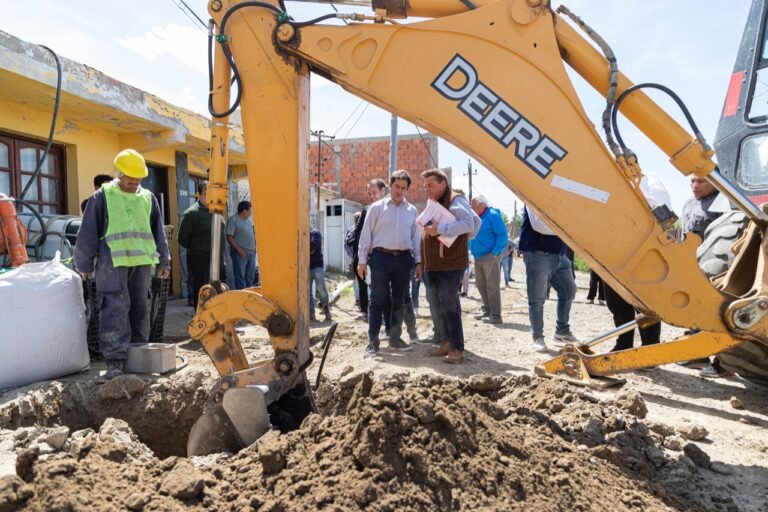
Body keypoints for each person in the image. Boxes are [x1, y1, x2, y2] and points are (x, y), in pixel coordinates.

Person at [74, 149, 171, 379]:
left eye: (138, 178)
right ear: (119, 173)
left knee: (140, 307)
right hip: (112, 261)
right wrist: (84, 264)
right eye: (129, 177)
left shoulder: (147, 198)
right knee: (115, 307)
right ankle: (116, 361)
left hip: (141, 263)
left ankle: (138, 356)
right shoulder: (102, 197)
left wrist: (164, 260)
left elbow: (158, 231)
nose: (134, 181)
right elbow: (87, 232)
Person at [357, 170, 421, 356]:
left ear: (407, 189)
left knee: (399, 301)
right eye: (396, 186)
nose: (399, 190)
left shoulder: (412, 211)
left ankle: (395, 338)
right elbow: (365, 235)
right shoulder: (376, 208)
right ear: (390, 186)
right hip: (380, 258)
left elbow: (416, 239)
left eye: (403, 187)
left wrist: (418, 262)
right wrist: (362, 261)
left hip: (403, 260)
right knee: (377, 300)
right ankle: (373, 342)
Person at [421, 169, 481, 364]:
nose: (426, 189)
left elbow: (470, 223)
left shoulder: (456, 200)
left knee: (449, 304)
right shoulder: (437, 202)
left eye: (430, 185)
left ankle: (457, 348)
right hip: (437, 264)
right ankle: (446, 342)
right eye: (425, 186)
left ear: (443, 184)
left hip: (450, 263)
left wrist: (441, 230)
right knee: (439, 303)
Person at [681, 175, 729, 378]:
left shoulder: (724, 204)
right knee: (693, 308)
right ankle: (697, 355)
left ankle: (722, 363)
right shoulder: (689, 204)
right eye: (692, 181)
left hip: (713, 268)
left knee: (716, 311)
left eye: (701, 181)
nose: (694, 186)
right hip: (691, 265)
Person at [519, 206, 578, 353]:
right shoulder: (531, 196)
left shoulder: (558, 199)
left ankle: (562, 331)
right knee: (537, 299)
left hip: (559, 254)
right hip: (538, 254)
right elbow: (539, 226)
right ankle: (537, 337)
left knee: (569, 290)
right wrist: (564, 227)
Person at [178, 180, 226, 310]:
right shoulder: (192, 213)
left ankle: (217, 317)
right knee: (202, 291)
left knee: (219, 289)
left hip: (218, 259)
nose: (210, 196)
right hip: (201, 259)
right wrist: (198, 247)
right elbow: (182, 238)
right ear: (199, 194)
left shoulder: (217, 211)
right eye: (206, 193)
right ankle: (200, 318)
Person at [350, 179, 388, 323]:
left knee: (381, 287)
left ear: (383, 191)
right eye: (370, 193)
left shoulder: (391, 209)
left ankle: (385, 316)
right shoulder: (367, 210)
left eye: (375, 192)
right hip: (366, 256)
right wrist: (360, 258)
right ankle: (365, 311)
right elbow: (358, 233)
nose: (372, 196)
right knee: (363, 284)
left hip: (384, 256)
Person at [469, 196, 508, 324]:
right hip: (477, 256)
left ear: (482, 205)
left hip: (490, 255)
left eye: (473, 205)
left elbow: (502, 235)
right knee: (480, 284)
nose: (471, 208)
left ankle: (496, 316)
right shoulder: (476, 217)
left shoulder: (492, 215)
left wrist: (494, 253)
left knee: (492, 286)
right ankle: (486, 311)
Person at [226, 201, 257, 290]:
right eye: (250, 210)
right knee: (240, 276)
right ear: (244, 211)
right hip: (241, 254)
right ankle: (242, 296)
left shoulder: (247, 221)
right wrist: (239, 250)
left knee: (250, 277)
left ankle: (249, 295)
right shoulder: (233, 220)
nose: (251, 213)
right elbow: (229, 237)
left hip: (251, 253)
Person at [310, 227, 332, 322]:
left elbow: (312, 248)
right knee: (307, 292)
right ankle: (311, 313)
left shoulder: (315, 233)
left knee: (320, 287)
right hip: (305, 267)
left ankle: (325, 307)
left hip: (316, 265)